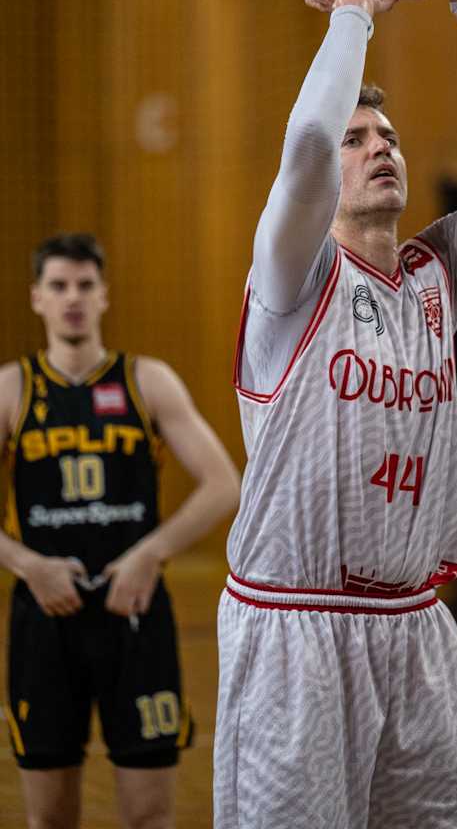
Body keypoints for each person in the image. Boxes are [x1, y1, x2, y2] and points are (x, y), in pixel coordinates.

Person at [213, 0, 457, 828]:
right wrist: (353, 14)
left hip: (415, 628)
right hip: (294, 629)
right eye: (360, 138)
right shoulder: (290, 278)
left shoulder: (437, 274)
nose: (381, 146)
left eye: (392, 138)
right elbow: (305, 144)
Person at [0, 232, 241, 829]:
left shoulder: (145, 380)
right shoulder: (12, 388)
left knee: (149, 817)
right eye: (59, 286)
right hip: (44, 621)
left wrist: (149, 555)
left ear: (104, 295)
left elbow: (223, 484)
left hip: (135, 615)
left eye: (85, 285)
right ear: (36, 297)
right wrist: (29, 565)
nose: (73, 298)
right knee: (49, 819)